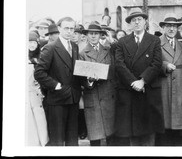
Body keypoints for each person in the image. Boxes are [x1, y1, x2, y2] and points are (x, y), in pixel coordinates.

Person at [114, 7, 164, 146]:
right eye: (133, 20)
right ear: (129, 24)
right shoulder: (122, 42)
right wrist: (133, 82)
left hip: (148, 90)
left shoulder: (154, 40)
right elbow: (119, 64)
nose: (136, 22)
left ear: (145, 22)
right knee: (133, 133)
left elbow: (157, 63)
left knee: (149, 132)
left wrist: (142, 81)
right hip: (130, 91)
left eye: (139, 19)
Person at [34, 17, 82, 146]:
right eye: (66, 28)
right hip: (57, 100)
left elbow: (75, 70)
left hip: (73, 98)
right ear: (59, 28)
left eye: (72, 28)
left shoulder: (75, 46)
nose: (69, 31)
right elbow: (39, 73)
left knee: (72, 140)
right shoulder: (50, 48)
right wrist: (55, 85)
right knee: (57, 140)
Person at [79, 24, 117, 146]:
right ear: (87, 35)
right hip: (93, 97)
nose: (94, 36)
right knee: (95, 137)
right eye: (91, 33)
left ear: (101, 35)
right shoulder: (82, 53)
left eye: (96, 33)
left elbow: (114, 71)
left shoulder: (108, 50)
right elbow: (80, 78)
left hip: (108, 97)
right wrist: (89, 81)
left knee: (111, 136)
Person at [156, 13, 182, 146]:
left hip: (179, 87)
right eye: (168, 26)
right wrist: (164, 65)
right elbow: (151, 63)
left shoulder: (181, 46)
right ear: (163, 27)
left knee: (177, 122)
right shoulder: (156, 43)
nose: (172, 29)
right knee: (164, 122)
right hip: (163, 85)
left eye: (174, 26)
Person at [26, 31, 49, 146]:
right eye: (29, 42)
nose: (31, 45)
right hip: (29, 92)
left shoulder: (41, 56)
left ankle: (44, 141)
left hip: (41, 91)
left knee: (41, 117)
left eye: (34, 42)